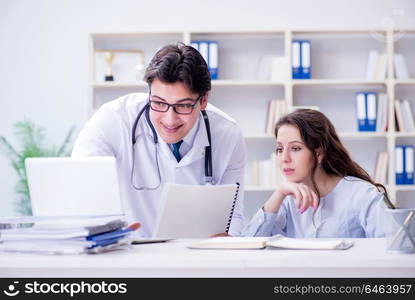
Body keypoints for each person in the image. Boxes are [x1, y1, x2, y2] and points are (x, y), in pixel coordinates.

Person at [72, 43, 246, 237]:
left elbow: (233, 216)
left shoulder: (227, 134)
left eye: (183, 106)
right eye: (159, 103)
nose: (169, 119)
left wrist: (226, 247)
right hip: (128, 254)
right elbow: (81, 189)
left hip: (196, 256)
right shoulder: (113, 120)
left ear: (204, 99)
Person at [243, 109, 387, 238]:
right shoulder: (287, 200)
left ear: (319, 153)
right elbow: (248, 246)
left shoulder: (363, 195)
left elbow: (389, 249)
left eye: (295, 148)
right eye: (280, 149)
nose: (284, 158)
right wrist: (279, 193)